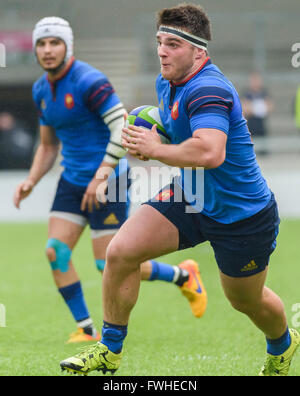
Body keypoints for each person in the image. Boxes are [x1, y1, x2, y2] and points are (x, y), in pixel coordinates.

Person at [60, 4, 299, 376]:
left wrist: (155, 150)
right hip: (192, 196)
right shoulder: (166, 82)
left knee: (245, 301)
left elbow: (210, 150)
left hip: (242, 215)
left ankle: (283, 345)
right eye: (159, 42)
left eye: (173, 44)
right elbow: (180, 135)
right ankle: (109, 350)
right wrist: (151, 138)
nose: (162, 51)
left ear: (198, 50)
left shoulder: (209, 88)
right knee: (121, 252)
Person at [13, 17, 207, 344]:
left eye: (54, 42)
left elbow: (123, 126)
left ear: (67, 46)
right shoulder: (40, 90)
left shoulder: (90, 81)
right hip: (73, 180)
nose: (47, 50)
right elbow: (48, 145)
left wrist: (101, 175)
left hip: (110, 178)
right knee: (55, 251)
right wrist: (31, 180)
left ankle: (183, 275)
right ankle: (86, 329)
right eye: (41, 44)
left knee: (109, 263)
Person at [241, 72, 274, 155]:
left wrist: (253, 107)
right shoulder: (246, 93)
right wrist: (260, 108)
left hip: (261, 124)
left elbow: (270, 107)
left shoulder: (264, 92)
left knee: (263, 151)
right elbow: (245, 109)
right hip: (251, 124)